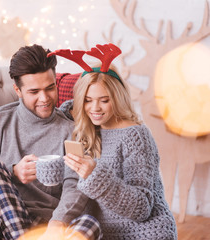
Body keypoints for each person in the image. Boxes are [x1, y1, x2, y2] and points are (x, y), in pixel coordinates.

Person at [0, 44, 101, 240]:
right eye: (34, 92)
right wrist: (12, 172)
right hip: (10, 220)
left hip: (53, 226)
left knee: (90, 225)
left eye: (50, 88)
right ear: (18, 90)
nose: (44, 98)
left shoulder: (72, 130)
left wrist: (57, 223)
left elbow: (76, 184)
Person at [52, 43, 177, 239]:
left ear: (117, 98)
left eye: (104, 100)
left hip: (143, 232)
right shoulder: (85, 129)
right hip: (98, 230)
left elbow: (142, 208)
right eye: (87, 100)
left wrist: (95, 176)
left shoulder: (135, 135)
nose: (95, 108)